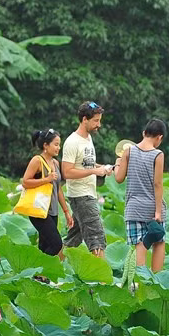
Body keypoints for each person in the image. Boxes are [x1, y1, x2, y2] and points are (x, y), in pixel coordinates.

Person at [114, 119, 167, 272]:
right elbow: (157, 184)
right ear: (159, 137)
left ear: (144, 133)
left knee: (139, 244)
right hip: (152, 207)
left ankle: (141, 283)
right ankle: (156, 282)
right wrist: (158, 211)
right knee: (159, 242)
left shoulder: (128, 151)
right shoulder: (158, 154)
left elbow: (118, 178)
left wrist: (118, 163)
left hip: (133, 208)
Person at [62, 101, 113, 258]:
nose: (99, 124)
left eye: (99, 120)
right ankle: (103, 282)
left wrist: (102, 168)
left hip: (88, 193)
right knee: (96, 238)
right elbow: (67, 171)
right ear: (84, 119)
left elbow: (86, 164)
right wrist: (94, 171)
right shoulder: (72, 142)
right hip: (80, 195)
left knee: (72, 240)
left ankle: (46, 272)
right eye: (96, 121)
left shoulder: (88, 139)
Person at [21, 129, 73, 258]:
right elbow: (25, 182)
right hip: (39, 210)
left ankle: (40, 277)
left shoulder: (55, 163)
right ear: (45, 145)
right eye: (55, 144)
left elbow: (58, 188)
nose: (58, 148)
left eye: (59, 144)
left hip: (52, 211)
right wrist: (46, 179)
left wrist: (66, 211)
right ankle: (38, 270)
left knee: (44, 246)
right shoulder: (37, 160)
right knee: (56, 245)